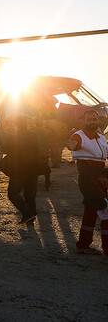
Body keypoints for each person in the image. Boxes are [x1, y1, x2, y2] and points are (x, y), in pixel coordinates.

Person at [68, 109, 108, 257]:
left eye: (94, 119)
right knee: (106, 210)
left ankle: (83, 245)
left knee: (91, 212)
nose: (92, 122)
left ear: (98, 121)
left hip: (100, 178)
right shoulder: (79, 135)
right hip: (89, 180)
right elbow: (75, 144)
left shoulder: (101, 138)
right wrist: (72, 146)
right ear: (83, 121)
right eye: (89, 119)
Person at [5, 116, 40, 224]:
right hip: (33, 169)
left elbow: (6, 149)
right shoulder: (33, 135)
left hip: (18, 169)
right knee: (29, 194)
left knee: (12, 193)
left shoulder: (15, 136)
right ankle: (31, 217)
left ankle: (28, 213)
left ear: (16, 124)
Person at [33, 117, 52, 190]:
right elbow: (52, 135)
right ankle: (47, 183)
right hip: (45, 151)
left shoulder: (32, 131)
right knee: (46, 167)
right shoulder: (47, 131)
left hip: (36, 152)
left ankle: (34, 183)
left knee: (35, 168)